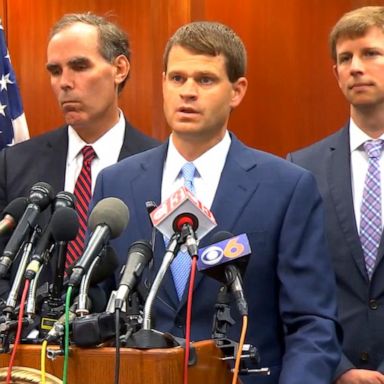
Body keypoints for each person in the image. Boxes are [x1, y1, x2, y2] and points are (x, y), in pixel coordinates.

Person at [92, 21, 341, 383]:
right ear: (163, 83)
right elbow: (95, 303)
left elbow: (312, 323)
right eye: (177, 78)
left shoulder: (286, 187)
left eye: (205, 80)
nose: (187, 92)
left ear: (237, 91)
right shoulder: (115, 183)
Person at [0, 13, 159, 300]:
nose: (64, 82)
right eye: (55, 71)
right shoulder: (14, 164)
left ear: (119, 69)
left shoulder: (161, 166)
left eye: (79, 66)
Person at [287, 6, 384, 384]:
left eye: (370, 53)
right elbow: (293, 285)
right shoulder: (301, 168)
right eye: (345, 58)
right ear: (335, 73)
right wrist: (339, 368)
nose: (355, 67)